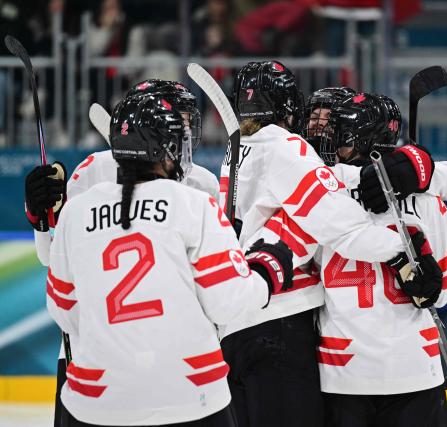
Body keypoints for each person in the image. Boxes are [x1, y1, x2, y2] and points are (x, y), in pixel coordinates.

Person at [46, 91, 294, 427]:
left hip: (97, 401)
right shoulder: (194, 203)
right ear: (167, 151)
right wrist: (264, 273)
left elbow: (65, 311)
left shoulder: (76, 212)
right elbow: (227, 304)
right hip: (191, 395)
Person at [218, 61, 440, 427]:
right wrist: (403, 248)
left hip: (237, 324)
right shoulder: (286, 147)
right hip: (280, 319)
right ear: (290, 104)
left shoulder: (235, 150)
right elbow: (343, 228)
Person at [23, 79, 220, 427]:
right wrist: (41, 216)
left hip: (175, 362)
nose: (185, 134)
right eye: (178, 121)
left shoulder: (202, 182)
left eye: (189, 123)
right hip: (98, 358)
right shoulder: (95, 170)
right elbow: (52, 257)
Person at [315, 92, 447, 427]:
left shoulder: (318, 195)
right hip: (414, 365)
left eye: (340, 136)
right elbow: (443, 291)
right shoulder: (425, 196)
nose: (329, 143)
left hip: (343, 371)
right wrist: (424, 170)